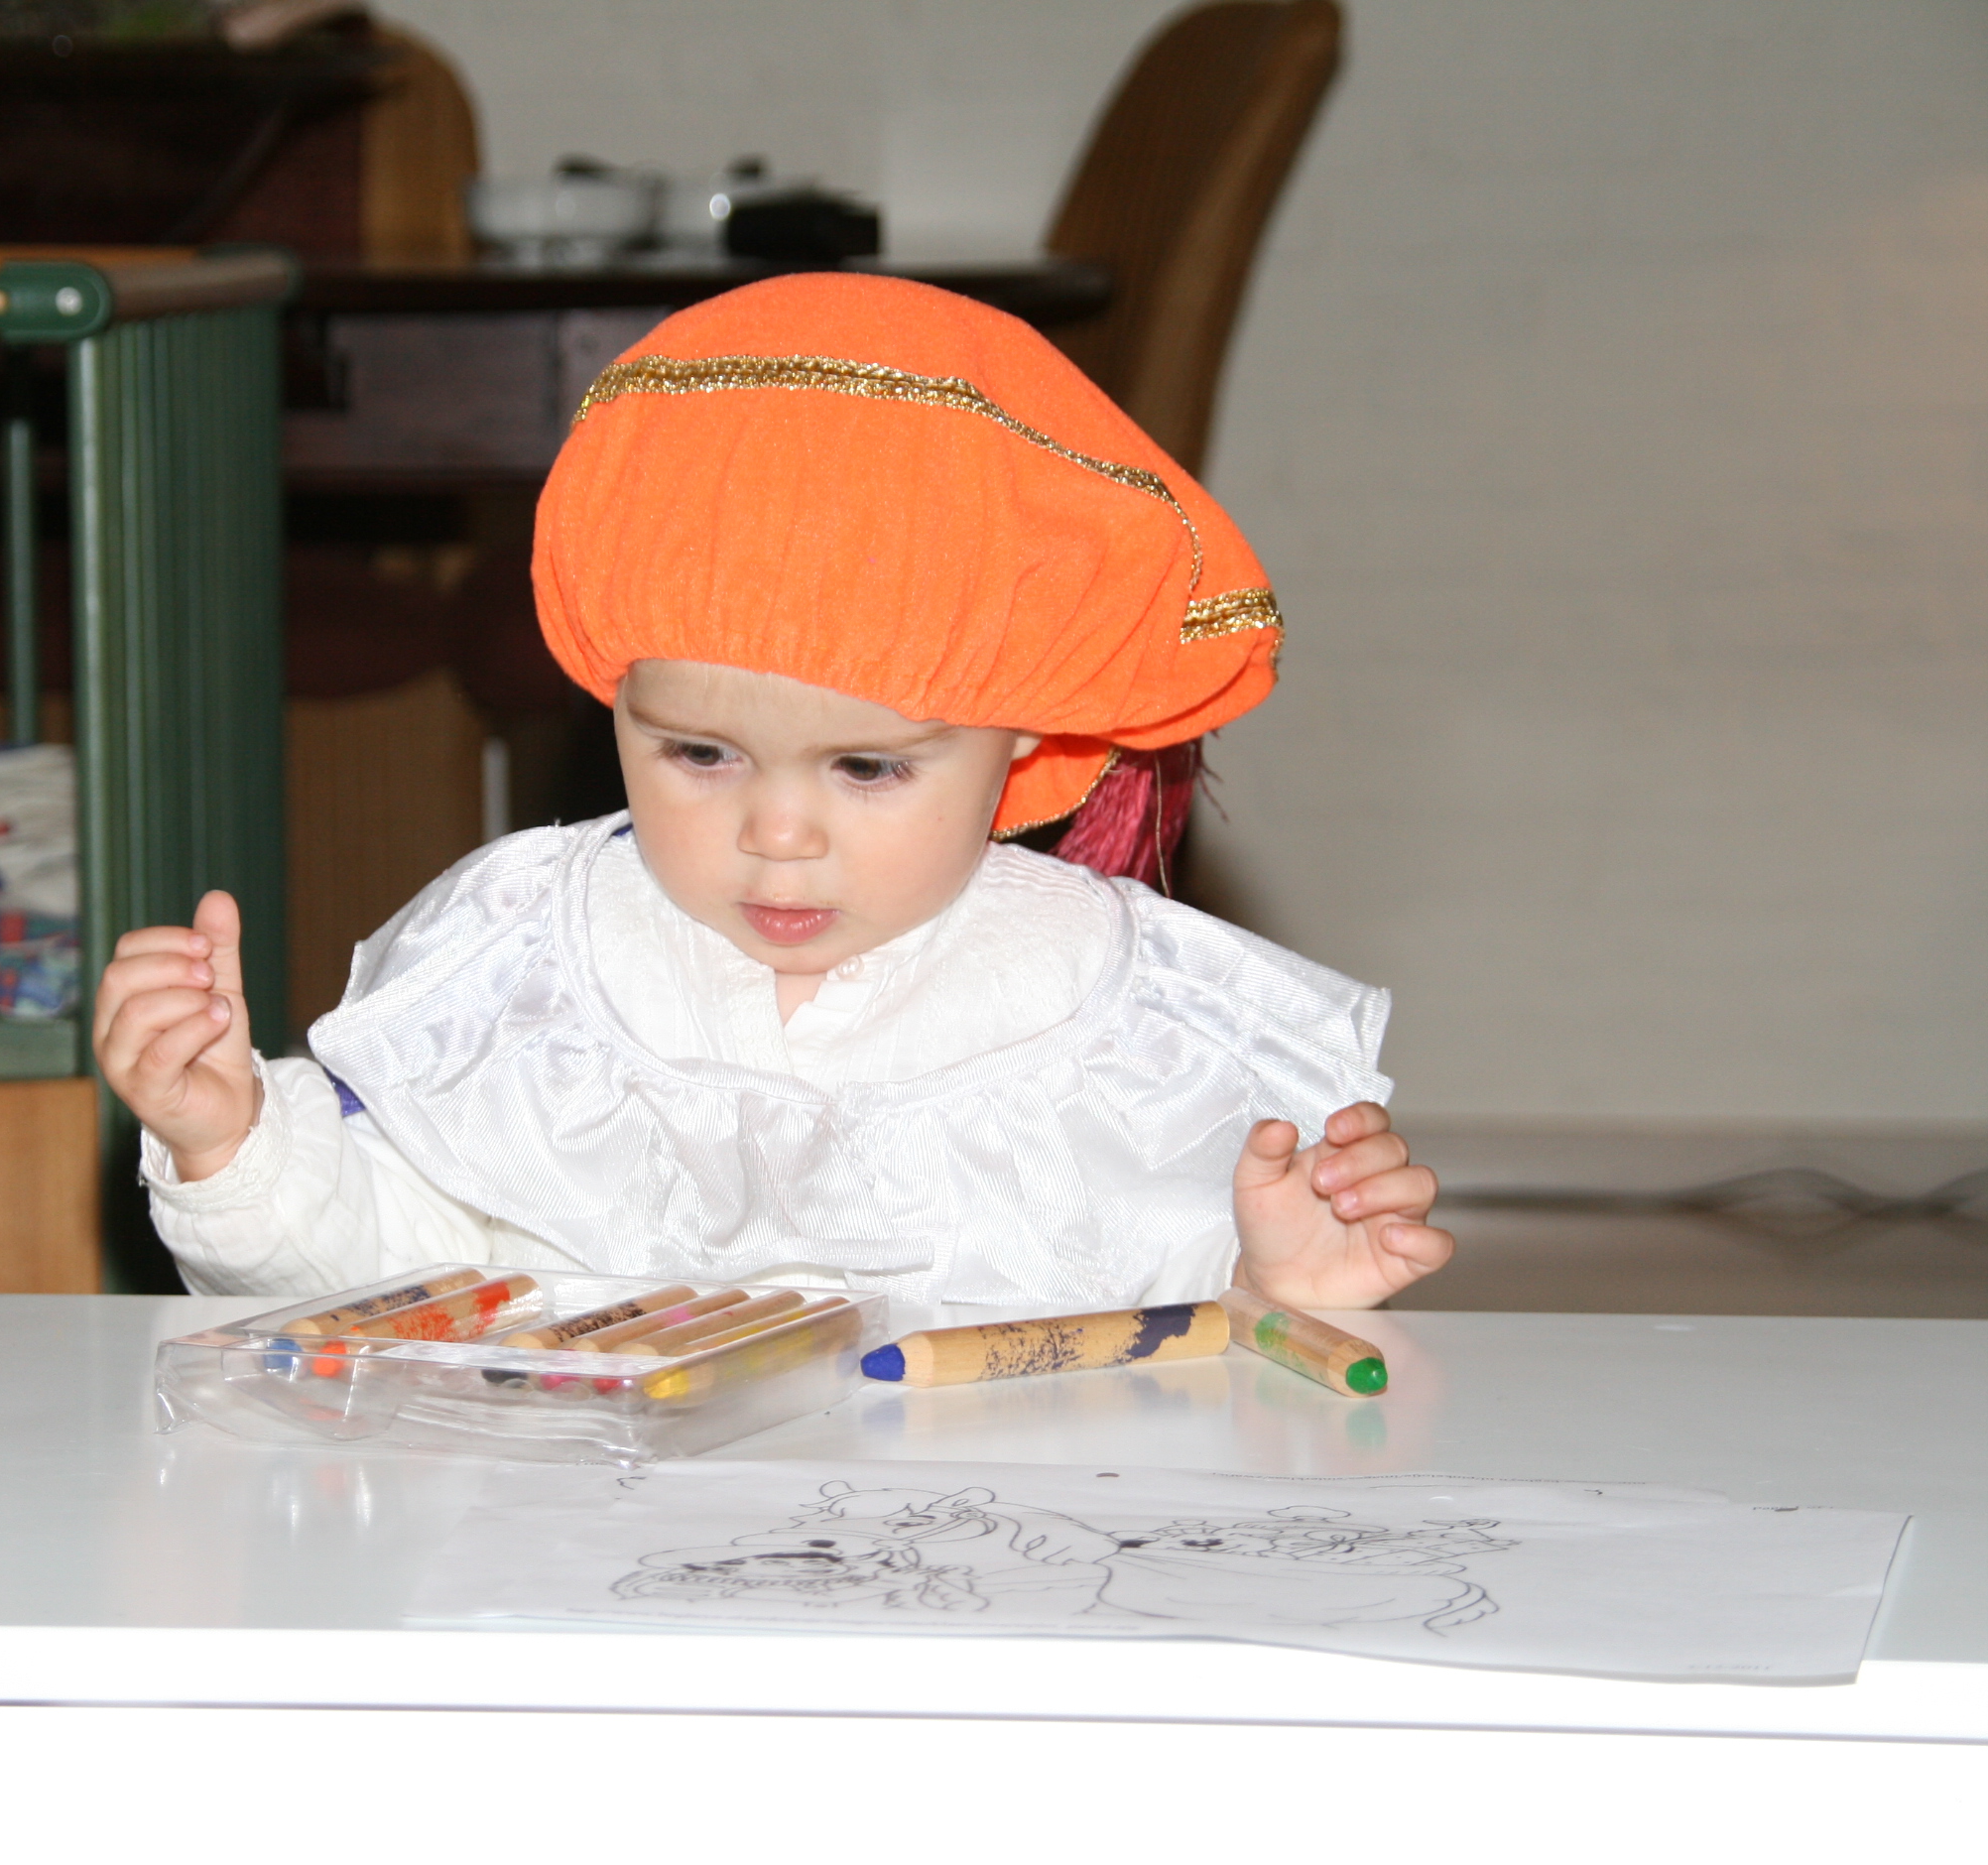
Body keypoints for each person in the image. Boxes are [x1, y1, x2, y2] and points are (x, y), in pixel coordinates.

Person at [94, 274, 1452, 1311]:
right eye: (700, 755)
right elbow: (395, 1279)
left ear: (1022, 740)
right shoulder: (538, 963)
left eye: (867, 768)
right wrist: (234, 1149)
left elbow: (1154, 1342)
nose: (778, 834)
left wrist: (1274, 1284)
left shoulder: (1101, 1010)